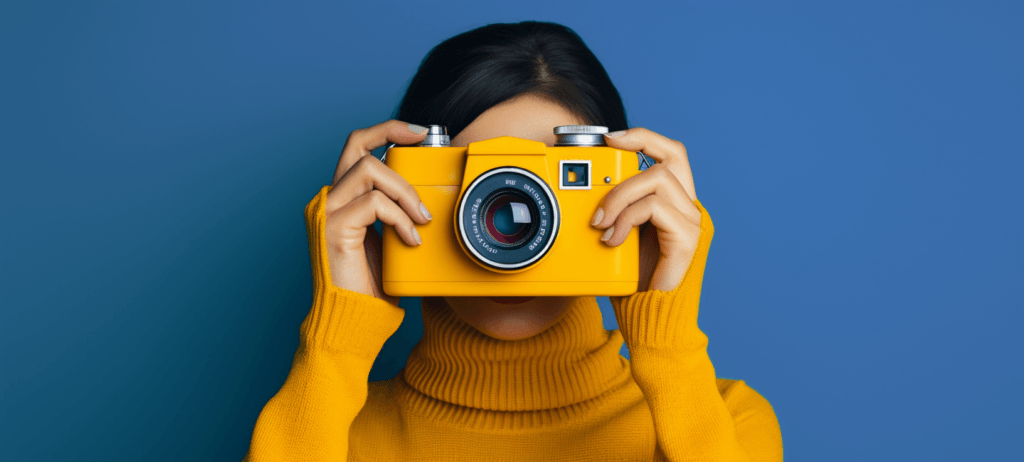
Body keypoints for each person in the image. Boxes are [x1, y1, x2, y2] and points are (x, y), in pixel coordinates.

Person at [243, 21, 782, 461]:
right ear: (391, 188)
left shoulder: (726, 424)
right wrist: (337, 342)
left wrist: (667, 343)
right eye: (474, 184)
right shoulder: (326, 433)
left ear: (632, 194)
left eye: (551, 186)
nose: (517, 227)